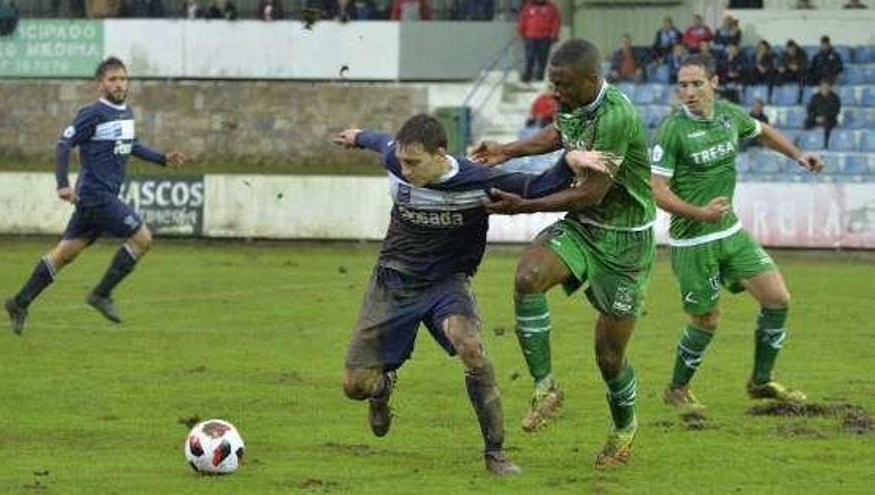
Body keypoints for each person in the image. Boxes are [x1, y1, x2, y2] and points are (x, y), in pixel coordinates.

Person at [333, 114, 580, 476]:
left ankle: (495, 452)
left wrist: (571, 159)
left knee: (470, 346)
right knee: (355, 386)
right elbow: (380, 141)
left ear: (441, 154)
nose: (405, 170)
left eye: (414, 163)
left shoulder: (479, 180)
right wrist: (357, 136)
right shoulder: (396, 159)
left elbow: (537, 185)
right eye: (401, 161)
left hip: (447, 283)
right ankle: (381, 388)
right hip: (394, 281)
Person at [471, 38, 655, 467]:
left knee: (609, 358)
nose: (556, 93)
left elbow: (590, 193)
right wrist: (507, 149)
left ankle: (624, 429)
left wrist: (525, 207)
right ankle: (545, 387)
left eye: (564, 85)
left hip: (625, 244)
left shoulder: (617, 116)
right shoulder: (574, 101)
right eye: (553, 83)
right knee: (527, 278)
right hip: (583, 229)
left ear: (592, 80)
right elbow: (560, 134)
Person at [651, 55, 824, 415]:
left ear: (714, 82)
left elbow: (761, 131)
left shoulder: (729, 114)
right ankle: (677, 388)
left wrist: (797, 154)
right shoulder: (672, 130)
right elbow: (657, 190)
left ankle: (761, 381)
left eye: (696, 83)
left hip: (731, 232)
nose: (689, 92)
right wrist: (700, 212)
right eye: (682, 85)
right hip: (694, 241)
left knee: (777, 298)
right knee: (707, 320)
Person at [3, 57, 187, 335]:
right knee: (142, 239)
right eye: (112, 79)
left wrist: (162, 158)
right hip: (95, 195)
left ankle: (19, 301)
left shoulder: (125, 113)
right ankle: (101, 294)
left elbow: (131, 145)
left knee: (64, 254)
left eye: (123, 79)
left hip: (98, 198)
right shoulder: (92, 113)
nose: (119, 84)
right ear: (99, 84)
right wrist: (63, 183)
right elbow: (64, 143)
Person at [516, 0, 561, 84]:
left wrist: (554, 34)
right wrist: (520, 31)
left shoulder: (552, 7)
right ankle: (528, 75)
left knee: (542, 57)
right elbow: (522, 19)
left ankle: (540, 75)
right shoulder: (528, 7)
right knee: (530, 57)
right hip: (530, 36)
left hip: (545, 37)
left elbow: (556, 21)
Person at [805, 79, 841, 147]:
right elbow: (810, 109)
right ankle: (804, 142)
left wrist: (824, 117)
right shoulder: (815, 97)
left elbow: (836, 111)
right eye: (823, 87)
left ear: (830, 88)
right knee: (807, 123)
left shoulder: (835, 98)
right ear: (820, 88)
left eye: (826, 87)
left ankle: (826, 144)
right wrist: (815, 117)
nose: (824, 89)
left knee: (828, 125)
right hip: (816, 118)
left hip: (829, 119)